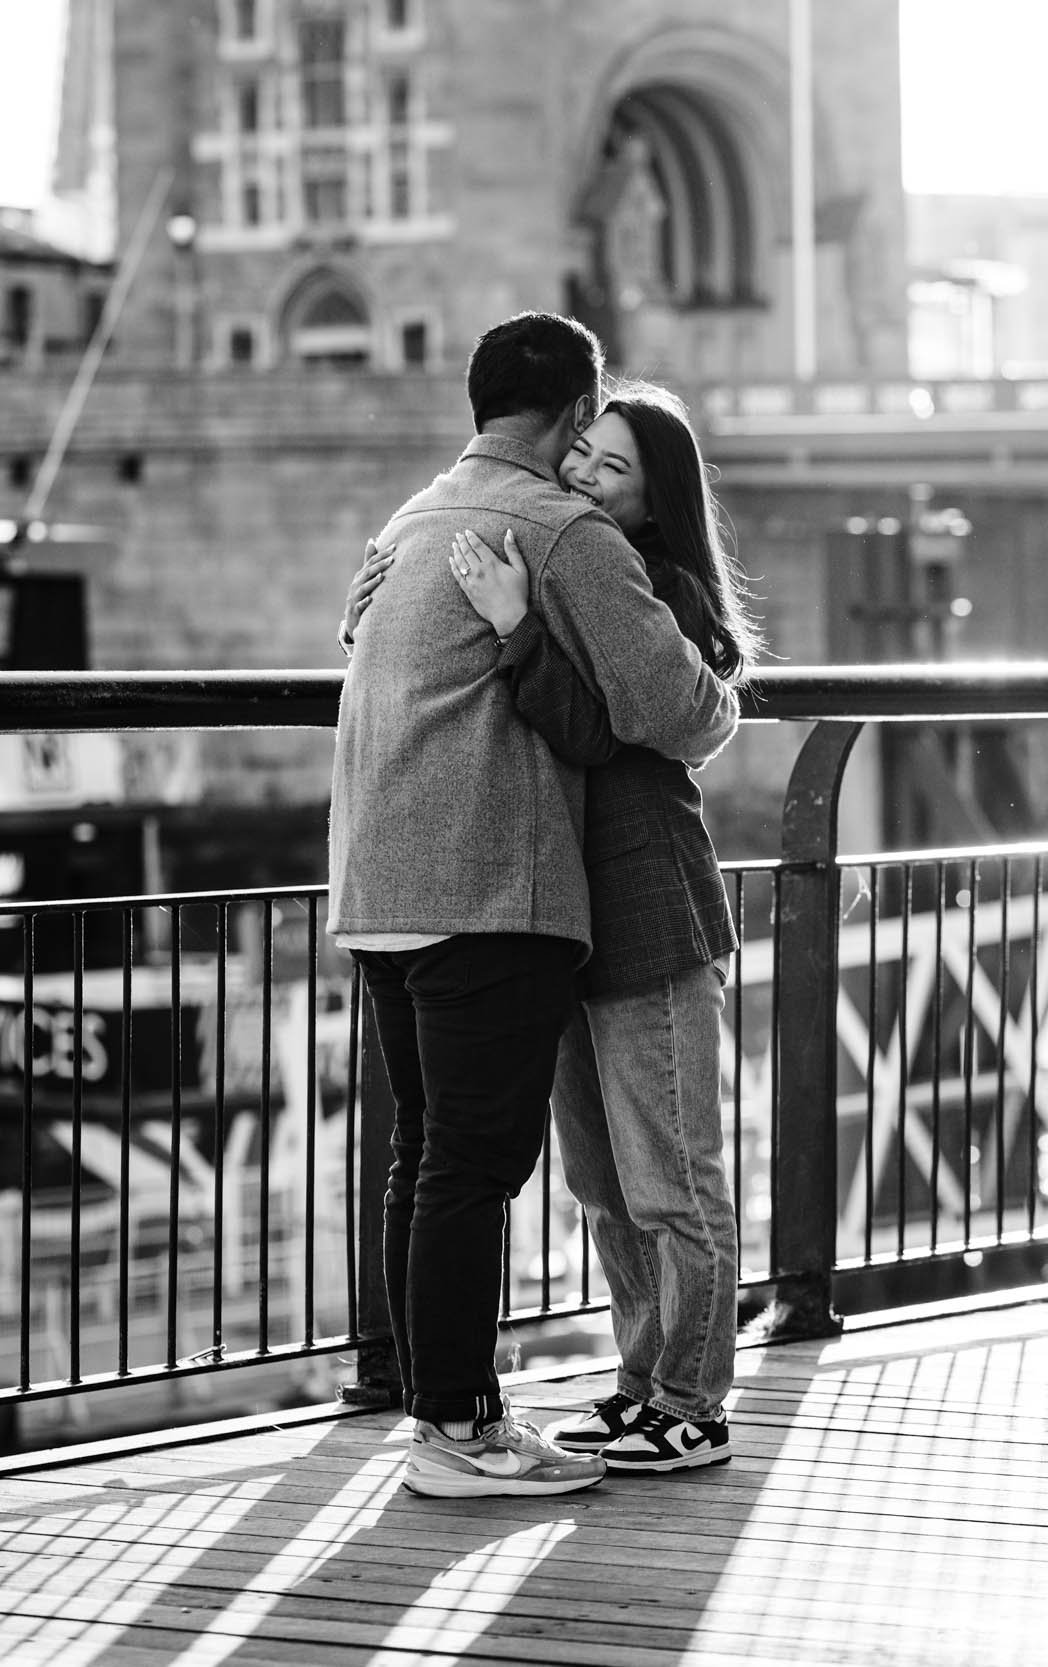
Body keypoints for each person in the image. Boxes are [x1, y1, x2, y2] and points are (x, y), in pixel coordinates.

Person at [329, 314, 739, 1499]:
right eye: (590, 438)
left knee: (438, 1162)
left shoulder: (410, 522)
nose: (588, 463)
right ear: (573, 411)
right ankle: (459, 1423)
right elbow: (690, 714)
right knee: (481, 1167)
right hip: (490, 889)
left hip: (386, 883)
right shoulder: (557, 532)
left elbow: (413, 664)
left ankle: (466, 1412)